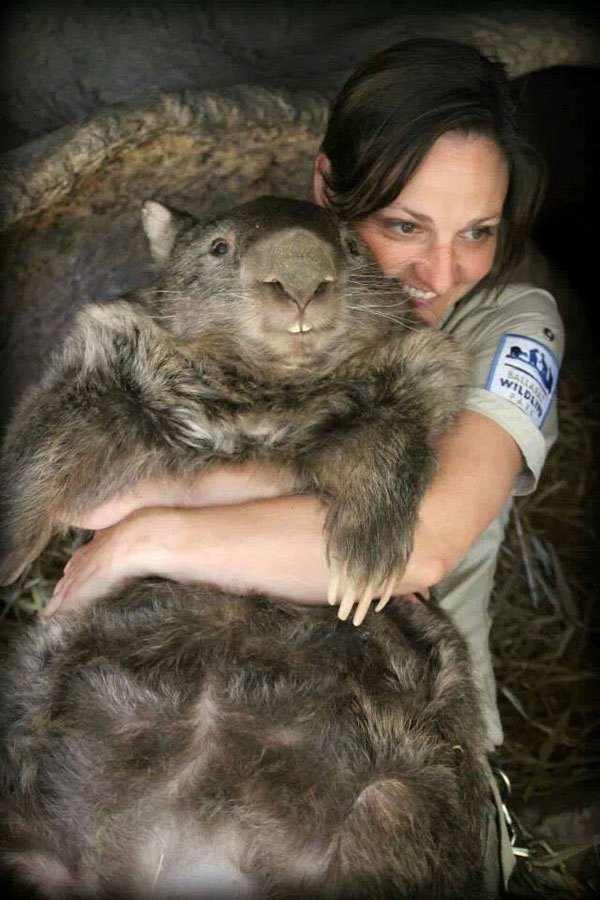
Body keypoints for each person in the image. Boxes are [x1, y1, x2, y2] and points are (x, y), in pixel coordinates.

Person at [45, 38, 564, 892]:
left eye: (478, 231)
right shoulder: (240, 278)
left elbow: (417, 544)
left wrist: (151, 535)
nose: (441, 275)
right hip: (173, 704)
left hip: (394, 722)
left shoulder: (508, 321)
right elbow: (83, 476)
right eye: (403, 227)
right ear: (328, 191)